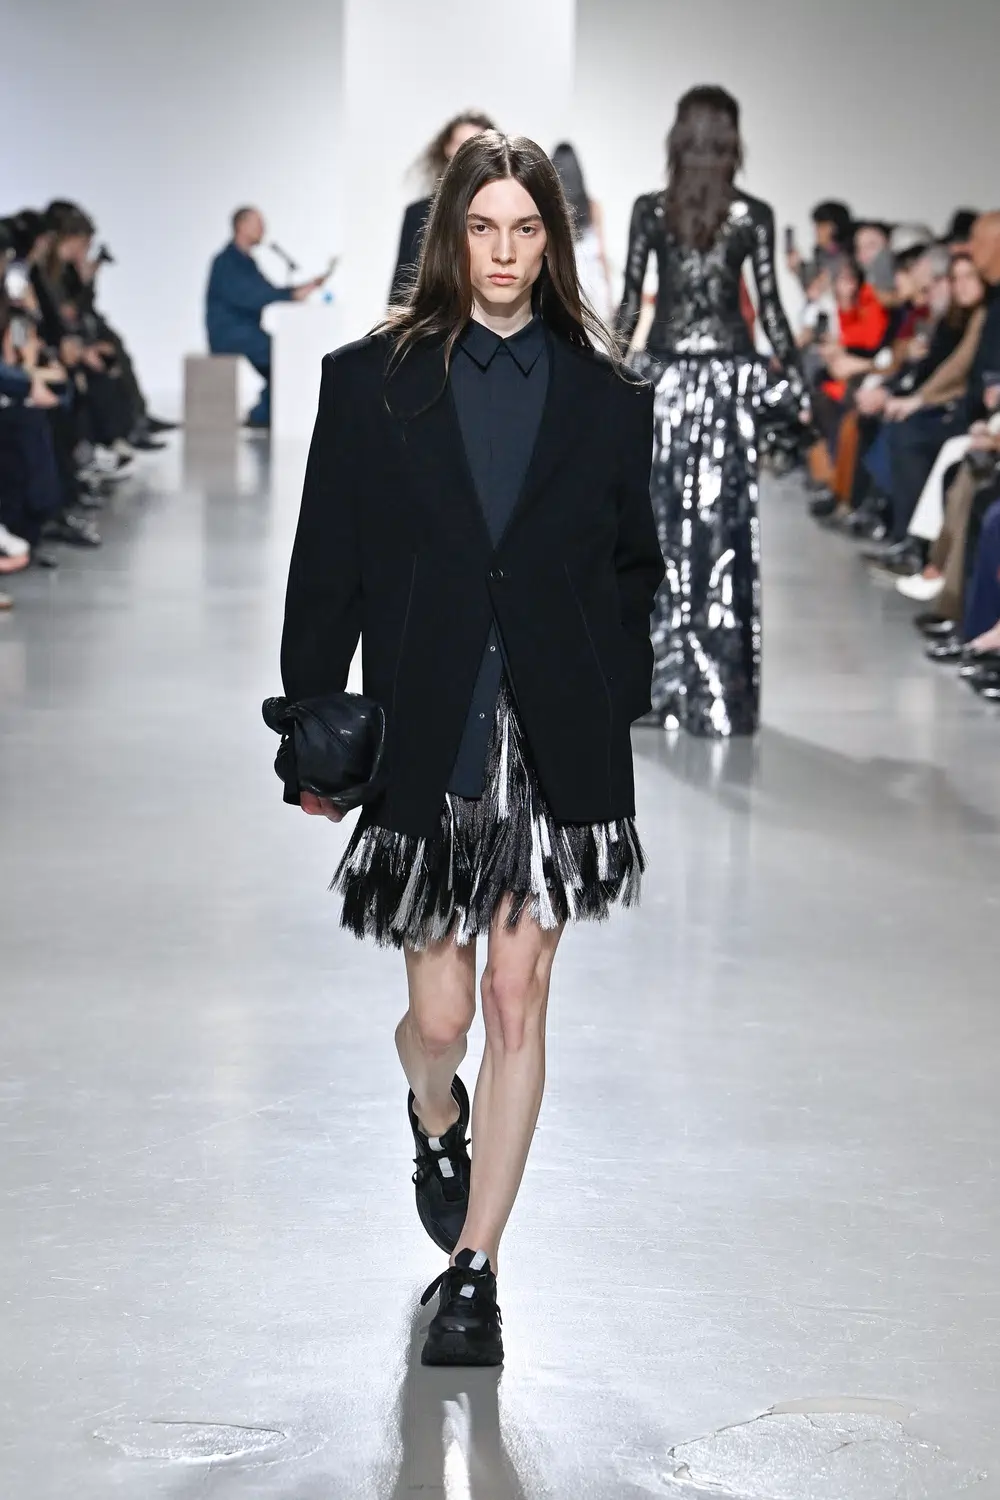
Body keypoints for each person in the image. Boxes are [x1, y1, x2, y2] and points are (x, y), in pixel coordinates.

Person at [280, 131, 662, 1367]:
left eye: (526, 230)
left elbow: (634, 568)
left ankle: (475, 1273)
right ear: (451, 234)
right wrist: (309, 729)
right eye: (483, 228)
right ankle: (432, 1112)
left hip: (552, 733)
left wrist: (613, 699)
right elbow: (327, 561)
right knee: (440, 1019)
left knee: (514, 996)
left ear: (553, 241)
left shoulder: (607, 395)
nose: (503, 253)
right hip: (431, 725)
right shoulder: (370, 381)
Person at [614, 85, 803, 737]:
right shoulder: (752, 215)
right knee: (723, 536)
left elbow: (631, 302)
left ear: (678, 137)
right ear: (731, 140)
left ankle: (656, 685)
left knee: (659, 533)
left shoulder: (649, 210)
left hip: (664, 382)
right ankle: (720, 692)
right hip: (727, 387)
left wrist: (605, 375)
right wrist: (798, 382)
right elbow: (770, 308)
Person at [205, 208, 326, 429]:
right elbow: (253, 295)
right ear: (241, 226)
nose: (263, 228)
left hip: (245, 330)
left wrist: (299, 290)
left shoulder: (246, 261)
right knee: (282, 358)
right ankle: (261, 415)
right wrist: (293, 294)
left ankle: (263, 413)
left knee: (283, 358)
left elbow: (265, 290)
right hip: (230, 332)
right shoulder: (226, 262)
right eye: (258, 223)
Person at [388, 111, 496, 305]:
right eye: (460, 143)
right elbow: (402, 287)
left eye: (475, 144)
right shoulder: (418, 213)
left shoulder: (503, 211)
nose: (466, 151)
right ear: (447, 148)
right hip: (433, 318)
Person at [551, 141, 613, 321]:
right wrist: (609, 295)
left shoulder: (552, 209)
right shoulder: (593, 207)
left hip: (563, 284)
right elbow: (601, 253)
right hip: (594, 287)